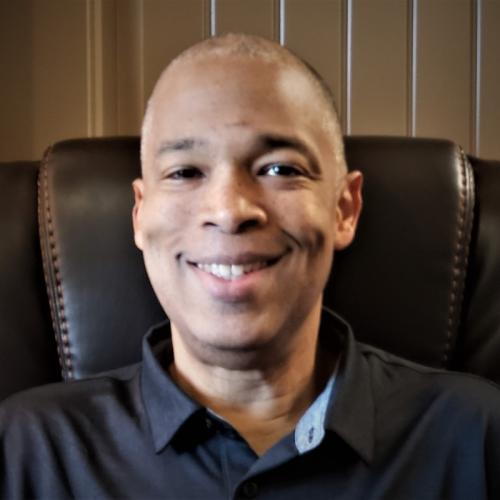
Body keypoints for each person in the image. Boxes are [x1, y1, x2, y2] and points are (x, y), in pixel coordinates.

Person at [1, 33, 499, 499]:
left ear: (344, 209)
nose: (228, 210)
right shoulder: (26, 449)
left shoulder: (477, 437)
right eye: (185, 172)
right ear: (140, 214)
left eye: (280, 169)